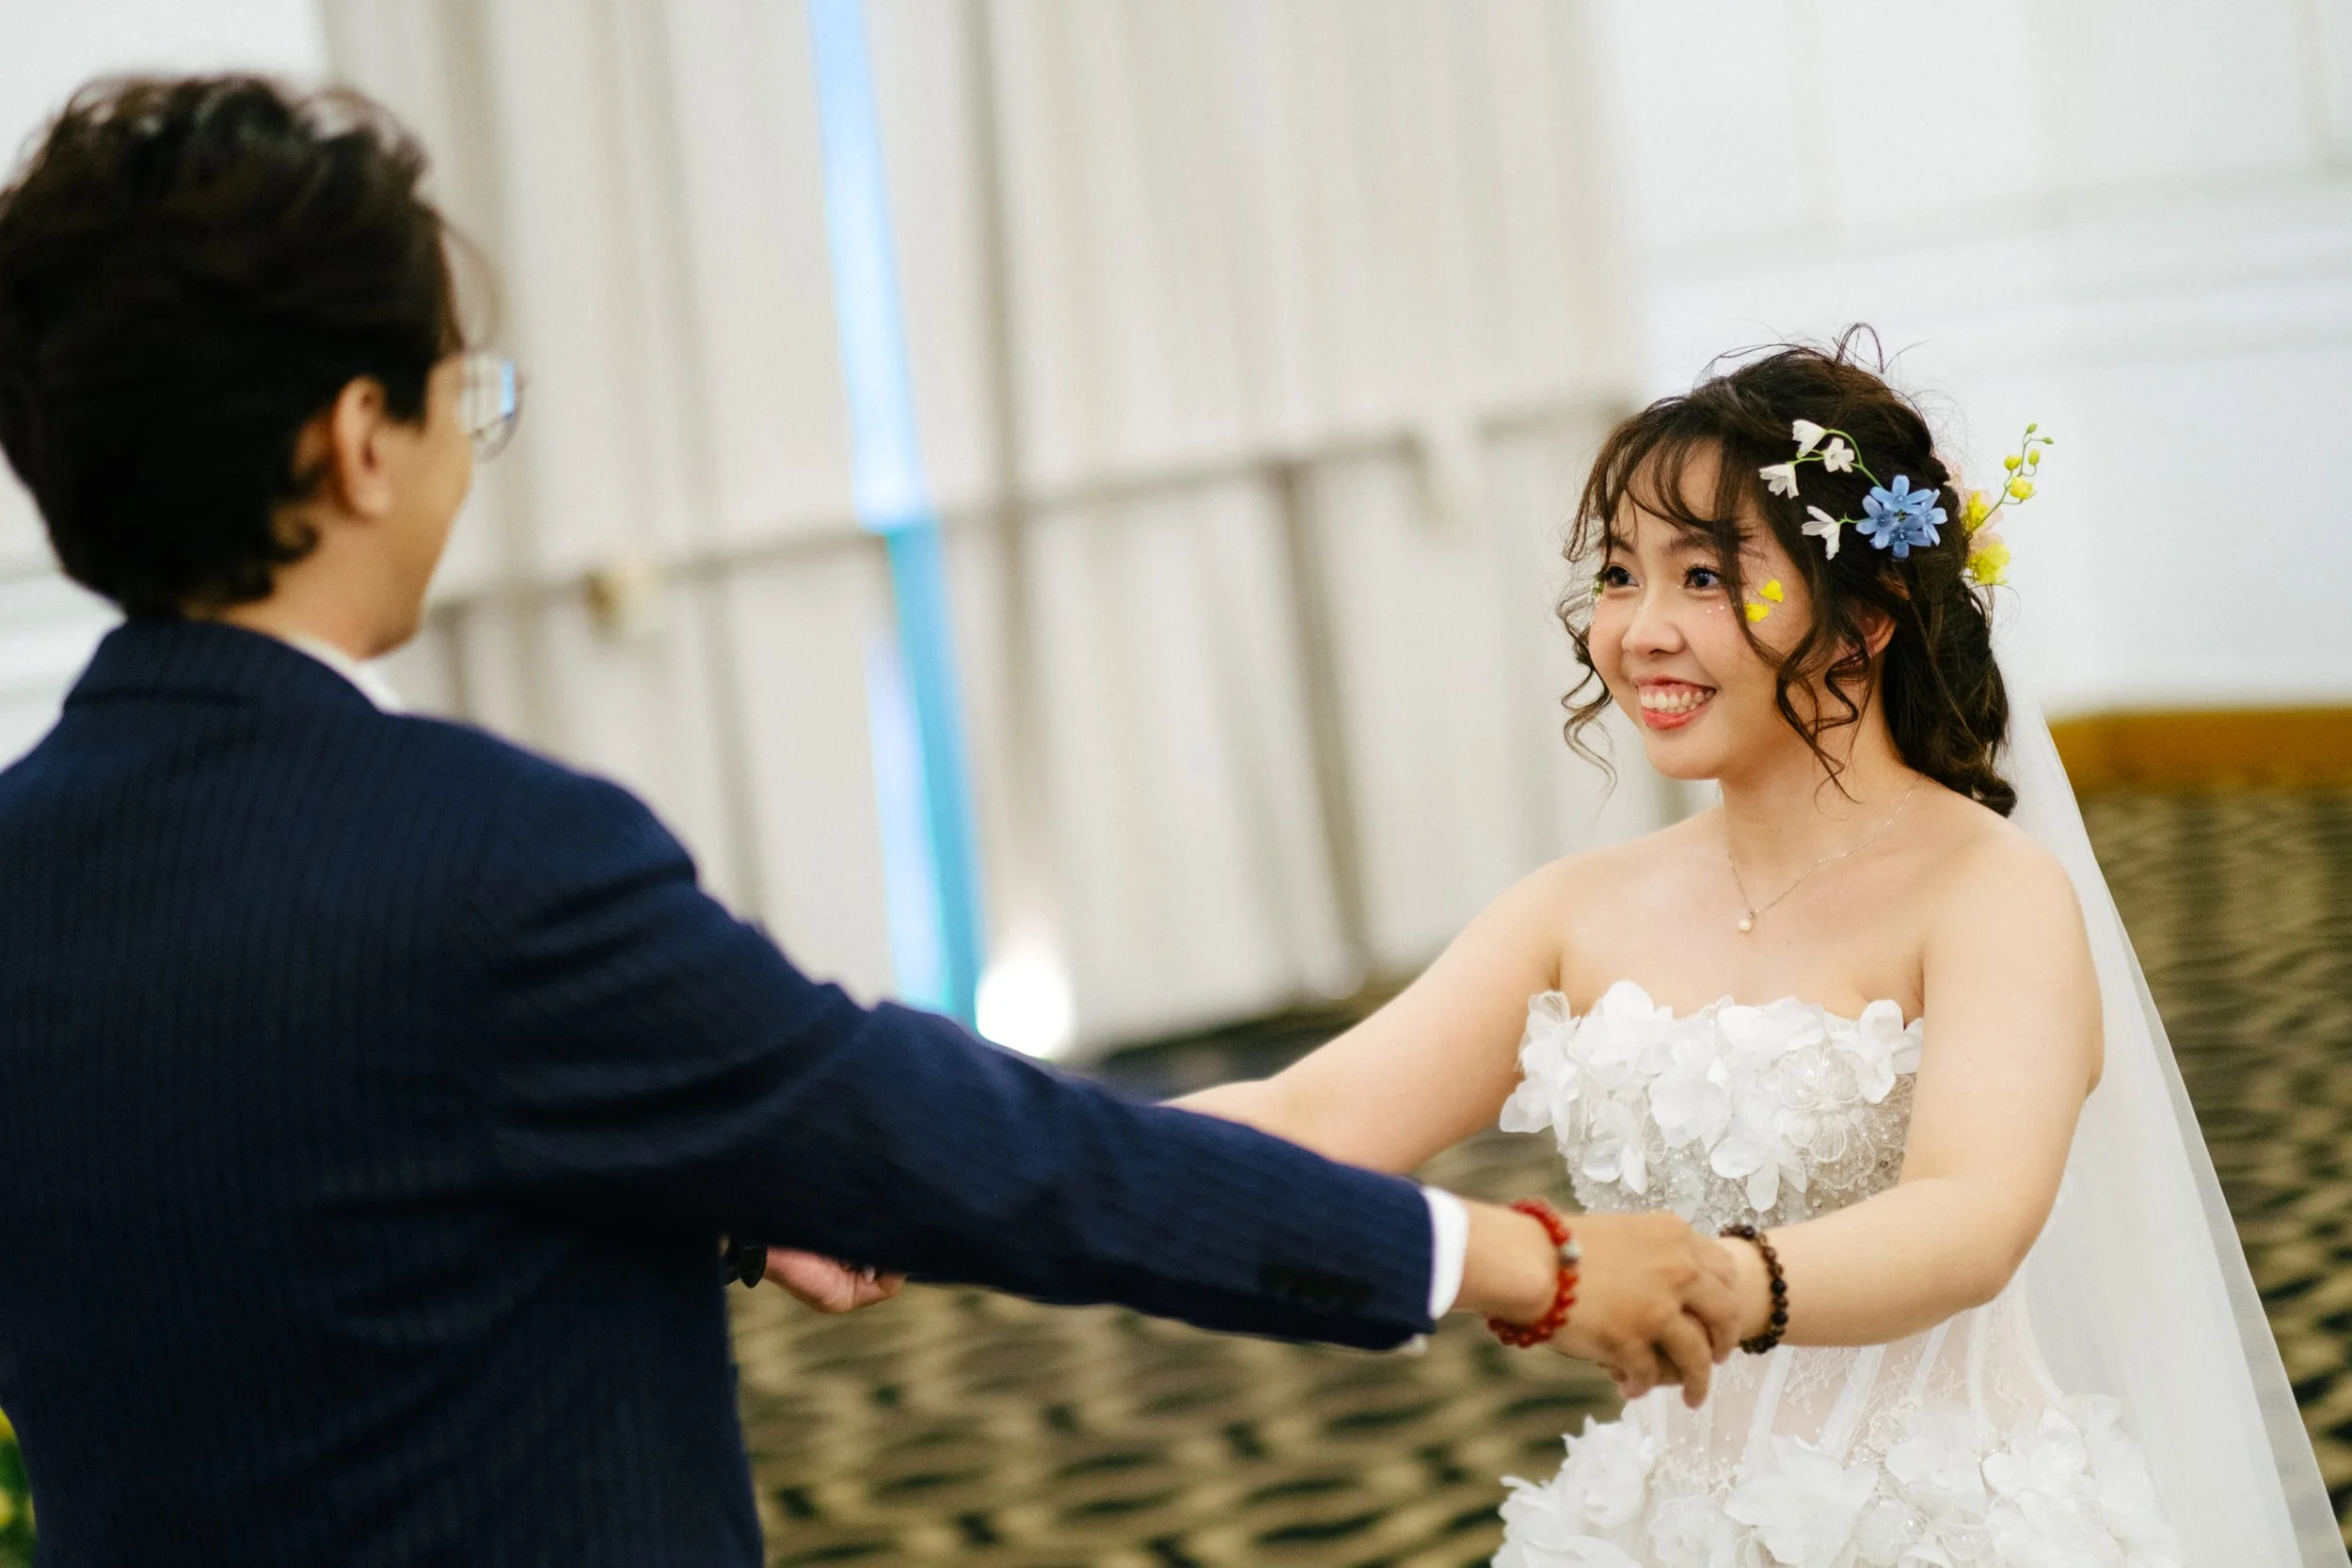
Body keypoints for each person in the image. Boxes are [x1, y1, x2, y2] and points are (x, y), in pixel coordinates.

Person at [0, 75, 1741, 1567]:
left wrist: (716, 1193)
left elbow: (273, 1195)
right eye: (466, 397)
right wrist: (1507, 1253)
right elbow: (987, 1152)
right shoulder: (492, 863)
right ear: (360, 442)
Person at [1177, 342, 2348, 1566]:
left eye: (1705, 577)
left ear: (1869, 616)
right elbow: (1312, 1112)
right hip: (1656, 1527)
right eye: (1620, 575)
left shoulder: (1990, 891)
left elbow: (1972, 1212)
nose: (1640, 632)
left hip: (1948, 1530)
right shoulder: (1572, 910)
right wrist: (1068, 1144)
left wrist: (1713, 1285)